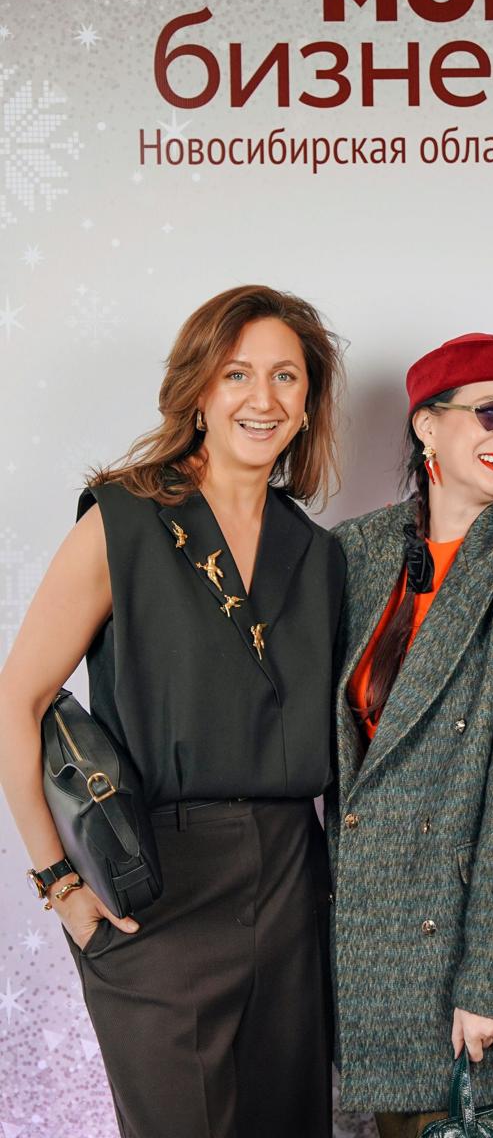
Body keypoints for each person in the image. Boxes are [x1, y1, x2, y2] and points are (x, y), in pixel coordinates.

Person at [0, 285, 346, 1138]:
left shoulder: (320, 553)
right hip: (158, 881)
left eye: (286, 377)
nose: (262, 398)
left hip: (292, 882)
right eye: (237, 374)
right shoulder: (124, 520)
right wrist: (58, 883)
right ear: (198, 392)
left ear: (308, 404)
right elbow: (18, 698)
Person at [327, 333, 493, 1138]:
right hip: (352, 937)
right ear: (426, 424)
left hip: (457, 952)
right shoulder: (356, 551)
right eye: (490, 414)